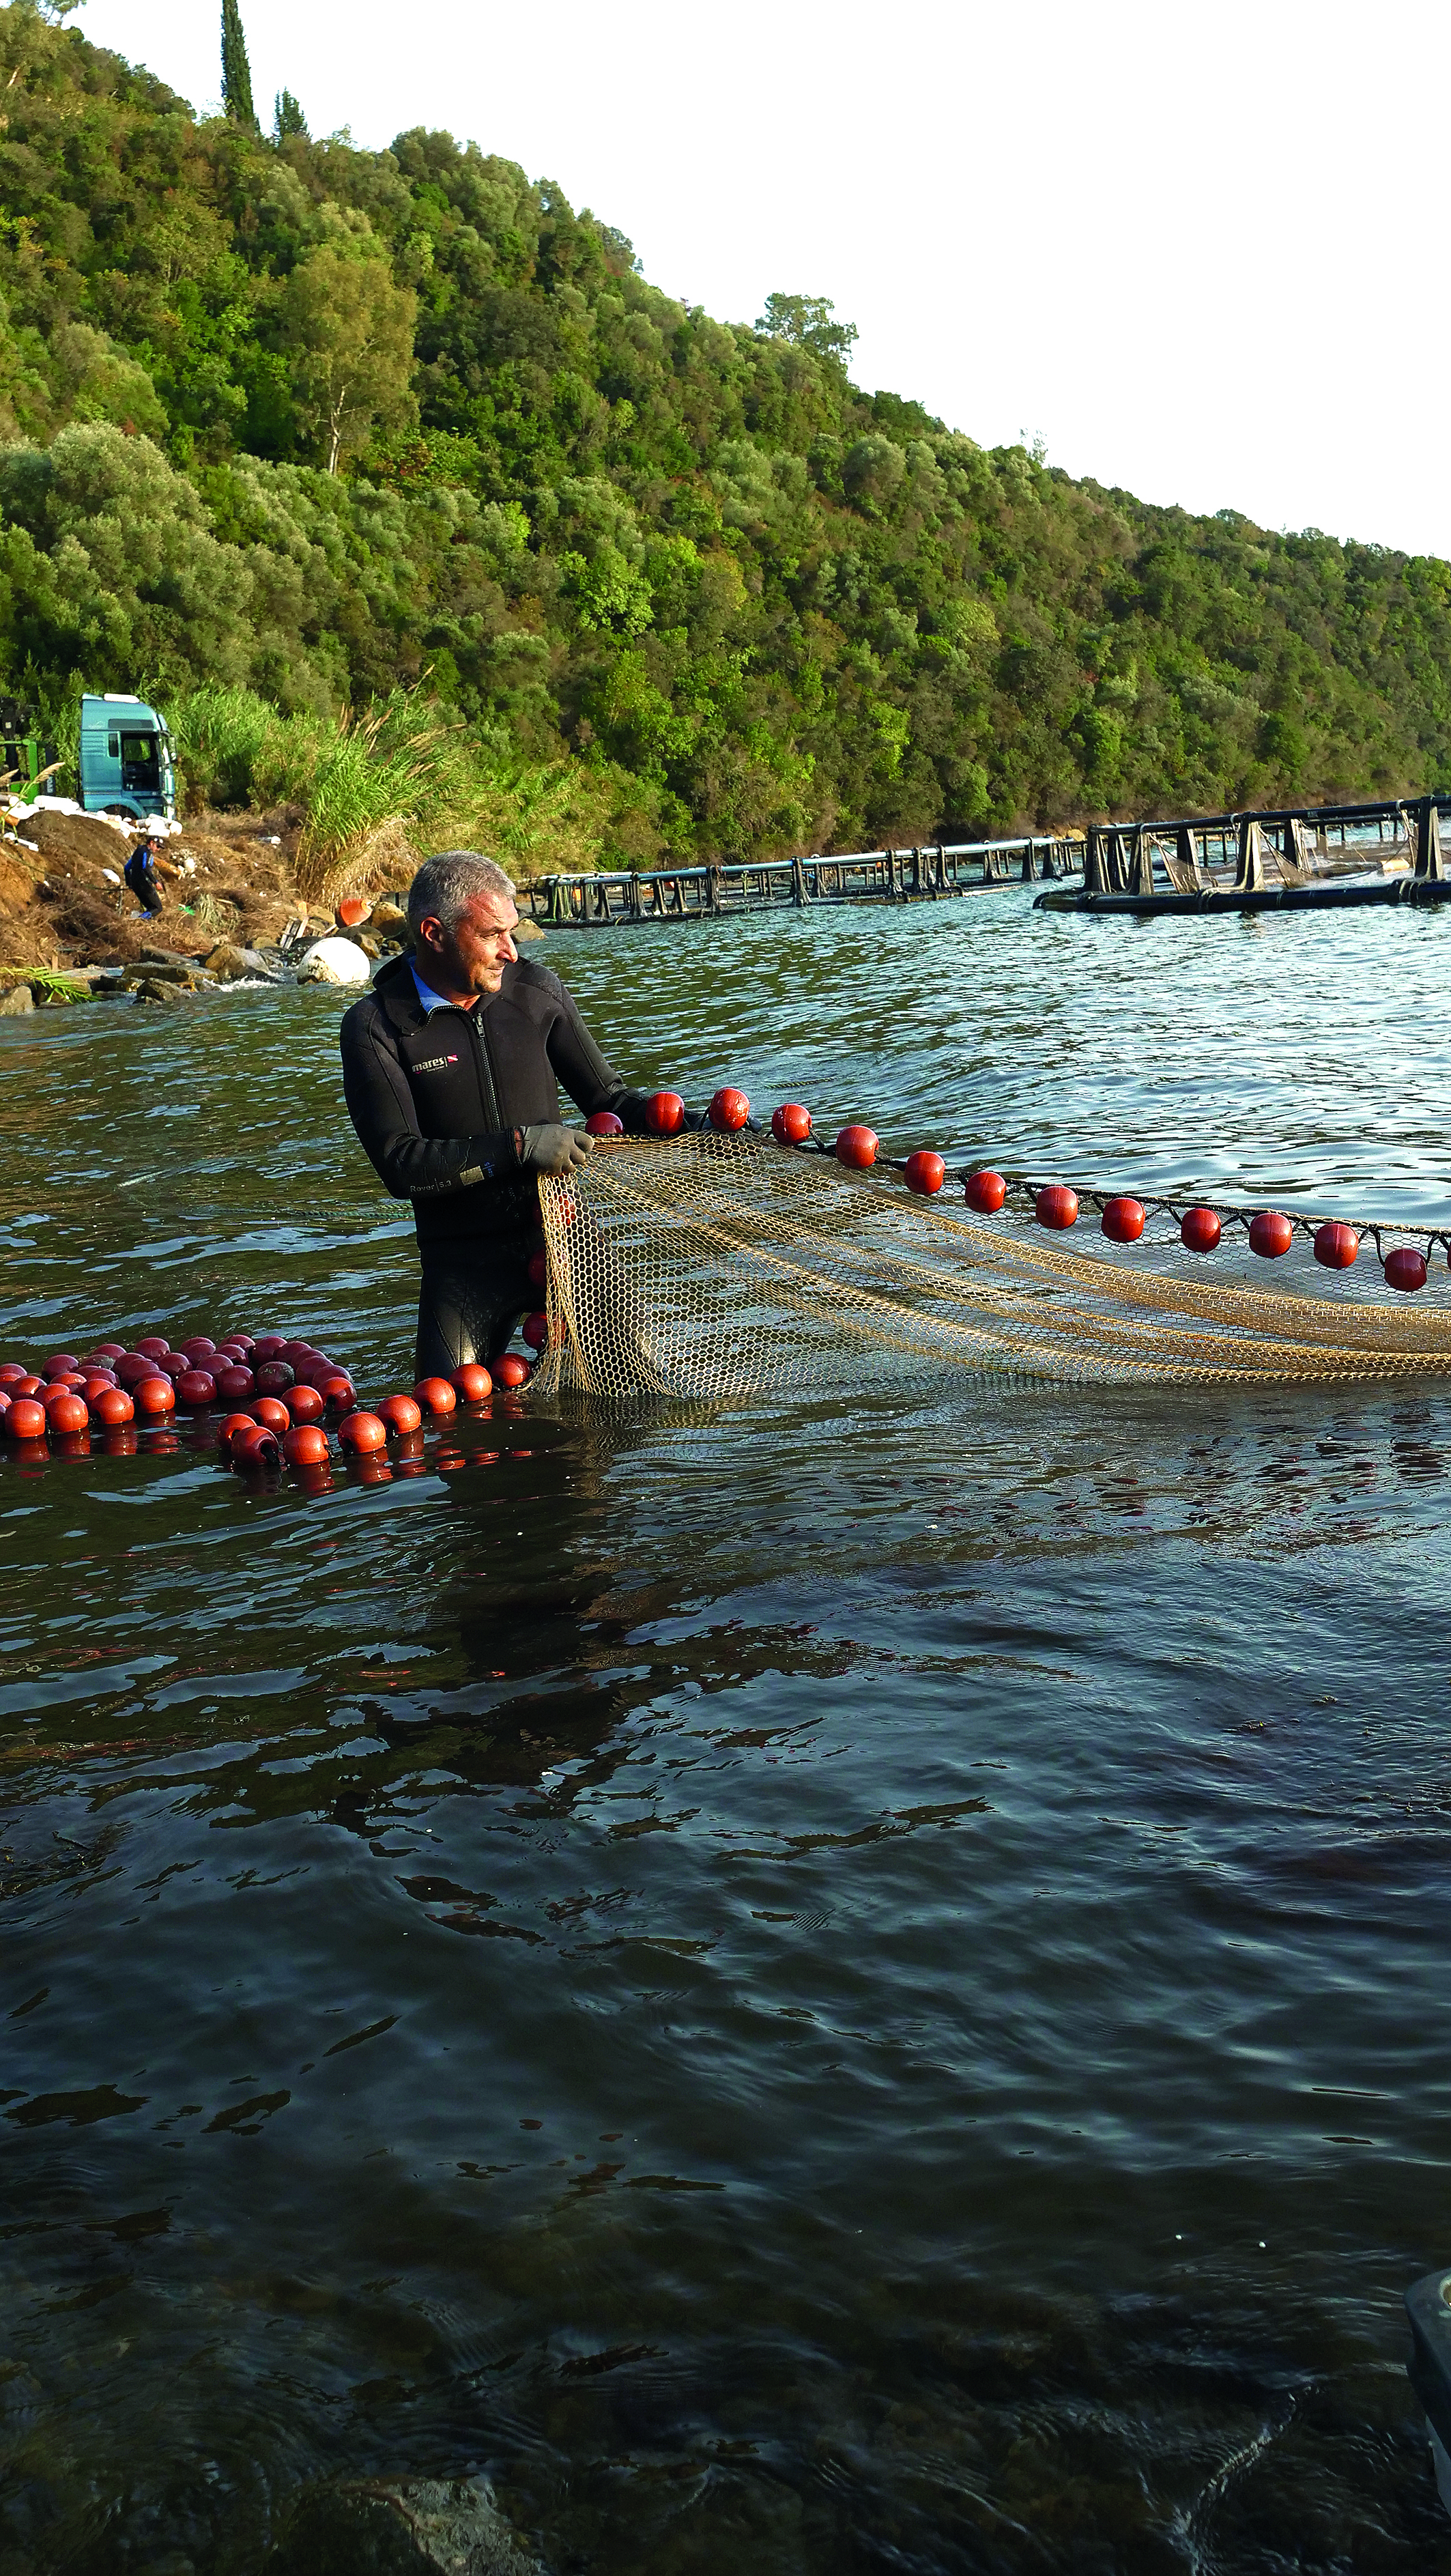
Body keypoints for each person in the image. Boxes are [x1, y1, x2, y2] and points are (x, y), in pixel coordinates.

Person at [339, 850, 667, 1377]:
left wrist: (703, 1122)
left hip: (568, 1246)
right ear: (434, 932)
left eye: (511, 933)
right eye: (493, 934)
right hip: (463, 1262)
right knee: (452, 1431)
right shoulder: (376, 1027)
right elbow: (401, 1164)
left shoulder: (537, 993)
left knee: (638, 1397)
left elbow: (612, 1104)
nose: (510, 952)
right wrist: (519, 1147)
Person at [122, 831, 175, 917]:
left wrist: (129, 884)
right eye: (157, 846)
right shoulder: (147, 852)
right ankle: (140, 920)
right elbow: (145, 867)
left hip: (135, 885)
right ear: (151, 843)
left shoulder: (138, 850)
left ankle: (142, 920)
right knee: (157, 908)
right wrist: (156, 882)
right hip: (144, 885)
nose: (158, 849)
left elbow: (127, 868)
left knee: (150, 908)